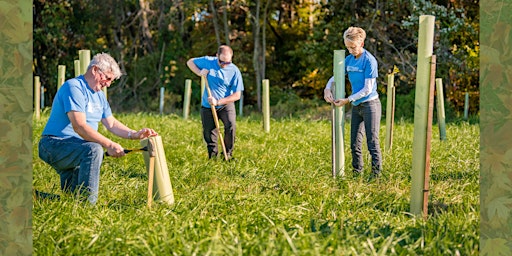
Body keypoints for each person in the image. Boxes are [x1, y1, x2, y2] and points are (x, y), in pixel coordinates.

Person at [38, 52, 158, 204]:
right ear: (95, 70)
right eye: (107, 78)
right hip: (54, 144)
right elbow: (79, 126)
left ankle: (35, 197)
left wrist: (135, 134)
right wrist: (109, 144)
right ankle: (89, 209)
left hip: (78, 149)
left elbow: (112, 124)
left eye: (111, 81)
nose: (108, 84)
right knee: (94, 150)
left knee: (70, 202)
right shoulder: (74, 87)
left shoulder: (99, 95)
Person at [324, 27, 383, 180]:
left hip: (370, 105)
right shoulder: (349, 59)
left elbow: (368, 89)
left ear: (361, 43)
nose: (350, 50)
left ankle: (375, 177)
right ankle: (357, 175)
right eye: (348, 47)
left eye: (353, 47)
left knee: (372, 142)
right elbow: (336, 76)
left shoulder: (369, 61)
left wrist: (347, 100)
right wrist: (327, 88)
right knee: (355, 144)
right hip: (357, 106)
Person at [186, 45, 244, 160]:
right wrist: (199, 72)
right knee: (209, 132)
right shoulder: (208, 62)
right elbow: (190, 62)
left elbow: (237, 95)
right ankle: (212, 157)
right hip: (207, 106)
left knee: (230, 125)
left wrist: (218, 102)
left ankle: (228, 154)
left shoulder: (234, 71)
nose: (224, 65)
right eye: (221, 62)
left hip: (225, 105)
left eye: (227, 62)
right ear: (216, 56)